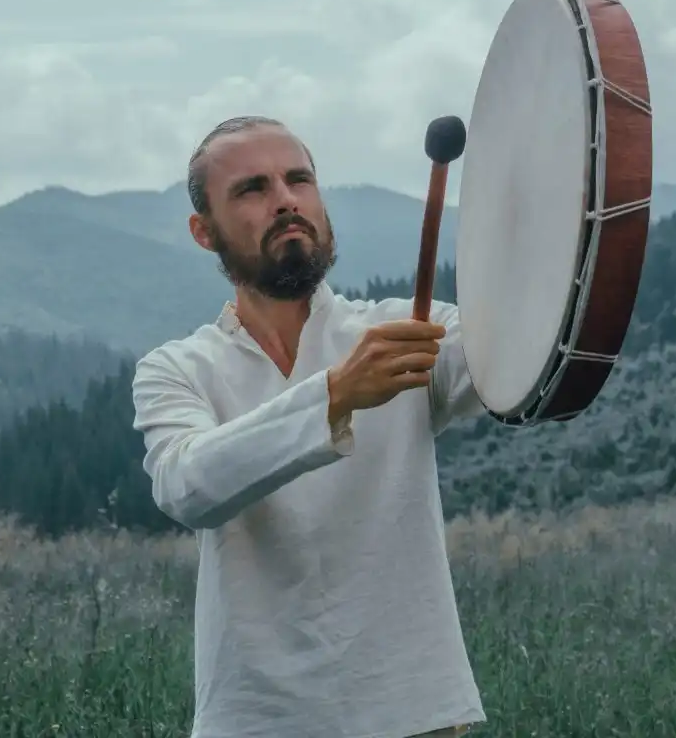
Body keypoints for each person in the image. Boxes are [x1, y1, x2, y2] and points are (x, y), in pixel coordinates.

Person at [131, 115, 488, 738]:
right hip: (256, 721)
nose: (286, 200)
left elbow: (518, 359)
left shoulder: (408, 329)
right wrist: (335, 396)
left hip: (416, 713)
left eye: (300, 179)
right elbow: (187, 486)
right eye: (252, 189)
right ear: (203, 231)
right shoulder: (177, 369)